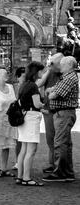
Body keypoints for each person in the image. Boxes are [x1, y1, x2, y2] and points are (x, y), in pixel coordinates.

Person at [44, 54, 79, 182]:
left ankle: (60, 172)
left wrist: (50, 92)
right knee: (66, 143)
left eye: (62, 64)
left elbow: (54, 94)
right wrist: (51, 90)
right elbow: (53, 89)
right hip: (63, 113)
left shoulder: (69, 78)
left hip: (63, 113)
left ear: (69, 65)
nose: (60, 66)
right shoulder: (66, 77)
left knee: (59, 143)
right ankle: (68, 172)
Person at [16, 62, 45, 186]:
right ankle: (27, 178)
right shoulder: (33, 86)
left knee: (23, 149)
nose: (42, 73)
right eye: (41, 71)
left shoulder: (23, 85)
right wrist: (45, 105)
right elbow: (37, 104)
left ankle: (20, 176)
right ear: (36, 72)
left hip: (24, 116)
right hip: (32, 117)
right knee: (31, 150)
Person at [38, 54, 62, 174]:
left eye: (53, 64)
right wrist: (48, 70)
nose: (52, 66)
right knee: (50, 139)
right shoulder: (50, 72)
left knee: (60, 140)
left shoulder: (64, 74)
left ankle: (59, 165)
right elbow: (39, 84)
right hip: (48, 110)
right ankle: (52, 164)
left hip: (59, 111)